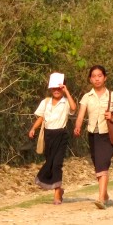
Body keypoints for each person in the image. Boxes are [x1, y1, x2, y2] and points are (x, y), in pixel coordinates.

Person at [73, 65, 113, 210]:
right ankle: (105, 193)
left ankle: (101, 198)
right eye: (94, 76)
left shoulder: (112, 96)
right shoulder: (87, 96)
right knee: (98, 165)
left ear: (105, 77)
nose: (97, 78)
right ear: (90, 79)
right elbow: (81, 114)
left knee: (103, 164)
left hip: (107, 135)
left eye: (99, 75)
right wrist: (78, 126)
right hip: (93, 134)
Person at [28, 73, 76, 205]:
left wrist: (66, 91)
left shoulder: (65, 102)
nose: (56, 91)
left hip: (61, 136)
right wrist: (33, 129)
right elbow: (41, 117)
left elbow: (73, 108)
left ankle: (56, 195)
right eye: (54, 88)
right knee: (49, 162)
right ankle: (59, 190)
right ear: (50, 89)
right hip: (48, 136)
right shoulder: (46, 102)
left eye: (59, 88)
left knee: (57, 164)